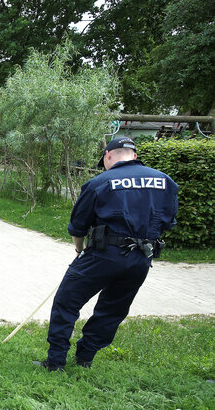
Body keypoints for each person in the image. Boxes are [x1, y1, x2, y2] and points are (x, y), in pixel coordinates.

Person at [34, 137, 178, 371]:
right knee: (113, 309)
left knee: (66, 302)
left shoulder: (100, 182)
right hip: (141, 257)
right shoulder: (165, 181)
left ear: (108, 155)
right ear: (134, 155)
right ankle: (85, 358)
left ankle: (56, 361)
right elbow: (168, 222)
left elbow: (78, 226)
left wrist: (79, 249)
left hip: (103, 254)